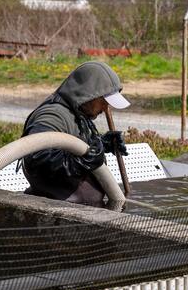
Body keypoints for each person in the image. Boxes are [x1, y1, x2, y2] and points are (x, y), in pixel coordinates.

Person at [19, 61, 130, 206]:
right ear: (88, 95)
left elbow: (72, 146)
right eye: (103, 101)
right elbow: (37, 158)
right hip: (56, 211)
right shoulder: (53, 115)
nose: (105, 108)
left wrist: (102, 144)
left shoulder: (78, 114)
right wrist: (81, 161)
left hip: (83, 208)